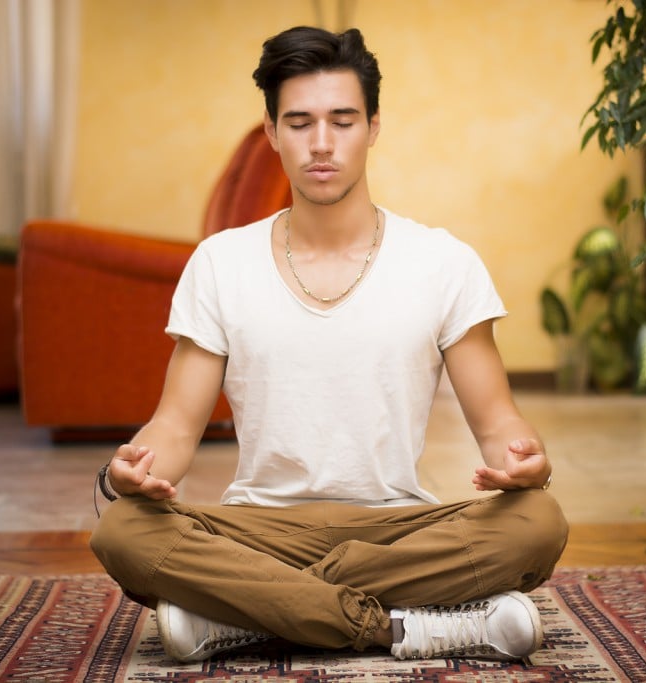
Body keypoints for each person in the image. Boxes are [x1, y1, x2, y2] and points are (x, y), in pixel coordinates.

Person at [89, 25, 568, 663]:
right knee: (122, 530)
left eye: (342, 121)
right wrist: (133, 469)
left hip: (399, 526)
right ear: (271, 133)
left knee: (538, 522)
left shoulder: (443, 261)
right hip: (257, 528)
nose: (321, 144)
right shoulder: (220, 262)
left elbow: (499, 422)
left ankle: (246, 618)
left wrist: (525, 459)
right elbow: (175, 427)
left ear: (373, 127)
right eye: (300, 122)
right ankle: (409, 628)